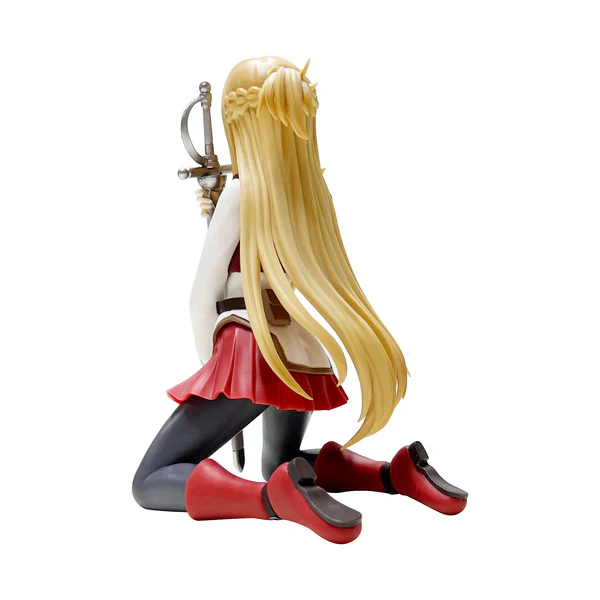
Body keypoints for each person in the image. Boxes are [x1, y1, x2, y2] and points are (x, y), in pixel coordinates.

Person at [133, 56, 467, 544]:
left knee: (149, 480)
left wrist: (212, 367)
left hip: (250, 351)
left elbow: (201, 296)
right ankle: (391, 474)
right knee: (282, 464)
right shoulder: (312, 195)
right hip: (302, 349)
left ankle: (271, 502)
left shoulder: (243, 193)